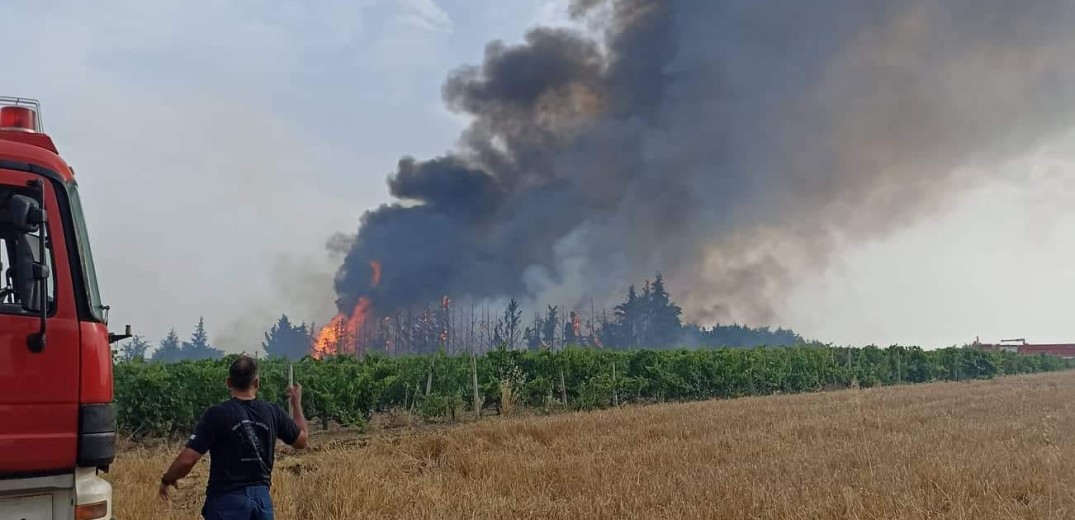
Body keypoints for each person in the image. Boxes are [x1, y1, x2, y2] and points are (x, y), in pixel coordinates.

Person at [159, 355, 309, 519]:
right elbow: (302, 441)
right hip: (262, 501)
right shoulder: (272, 412)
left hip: (227, 501)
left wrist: (168, 478)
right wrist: (296, 405)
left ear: (228, 383)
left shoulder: (216, 414)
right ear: (257, 383)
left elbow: (188, 460)